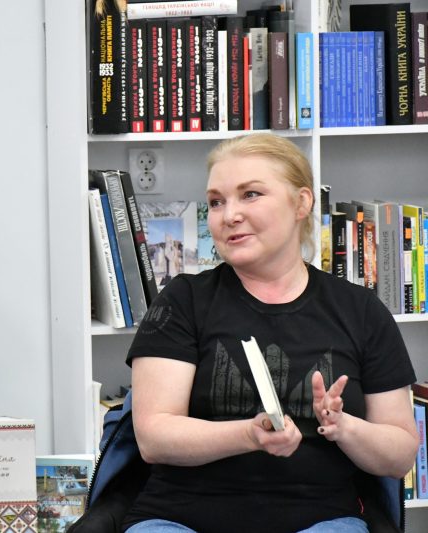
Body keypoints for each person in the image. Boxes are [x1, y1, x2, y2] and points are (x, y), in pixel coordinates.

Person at [123, 133, 418, 533]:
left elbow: (400, 455)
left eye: (251, 194)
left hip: (322, 520)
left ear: (301, 203)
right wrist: (249, 434)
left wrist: (343, 427)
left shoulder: (361, 311)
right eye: (216, 201)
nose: (229, 215)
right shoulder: (183, 301)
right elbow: (154, 437)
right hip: (179, 518)